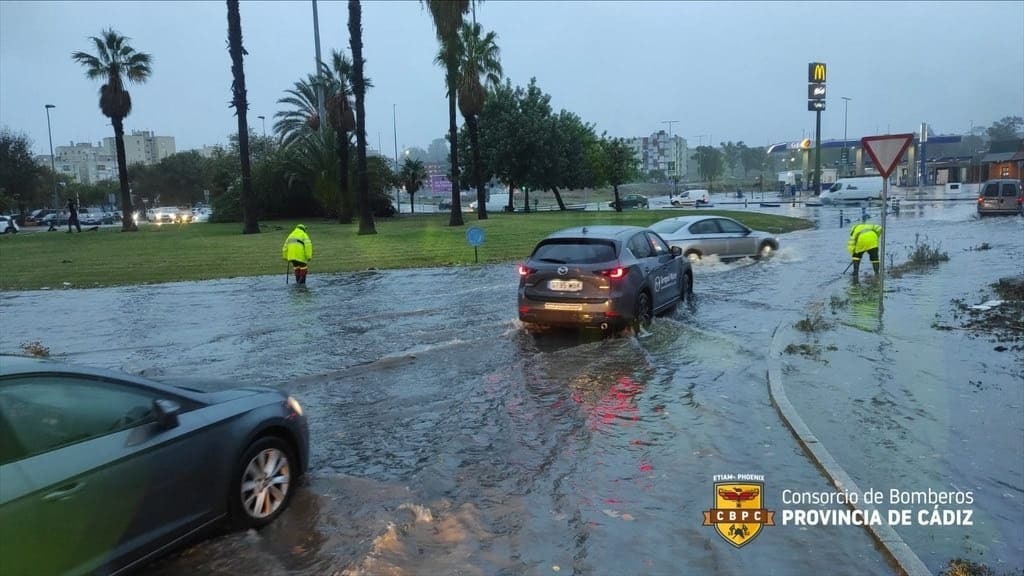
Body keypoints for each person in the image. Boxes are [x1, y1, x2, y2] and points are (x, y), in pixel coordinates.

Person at [847, 214, 882, 283]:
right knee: (875, 258)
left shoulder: (854, 233)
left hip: (861, 241)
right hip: (872, 241)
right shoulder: (870, 225)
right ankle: (877, 273)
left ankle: (855, 273)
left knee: (856, 257)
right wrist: (876, 236)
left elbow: (851, 245)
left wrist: (853, 254)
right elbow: (880, 228)